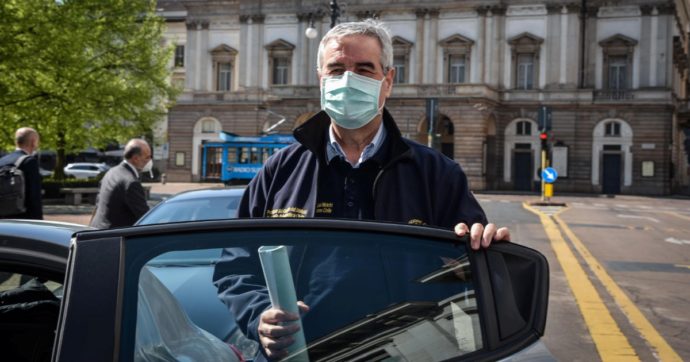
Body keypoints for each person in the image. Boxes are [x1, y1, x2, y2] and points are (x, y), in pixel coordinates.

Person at [213, 20, 511, 360]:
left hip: (406, 354)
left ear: (388, 80)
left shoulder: (437, 174)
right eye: (336, 69)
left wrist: (484, 248)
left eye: (363, 69)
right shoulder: (280, 171)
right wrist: (258, 314)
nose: (348, 80)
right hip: (302, 354)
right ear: (320, 80)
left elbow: (474, 276)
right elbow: (235, 267)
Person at [90, 139, 151, 229]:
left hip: (96, 231)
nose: (149, 161)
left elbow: (98, 205)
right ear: (135, 158)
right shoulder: (131, 182)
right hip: (114, 238)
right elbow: (146, 218)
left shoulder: (111, 172)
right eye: (147, 157)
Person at [0, 127, 43, 220]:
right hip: (23, 219)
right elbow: (34, 198)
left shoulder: (2, 161)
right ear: (33, 142)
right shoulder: (29, 161)